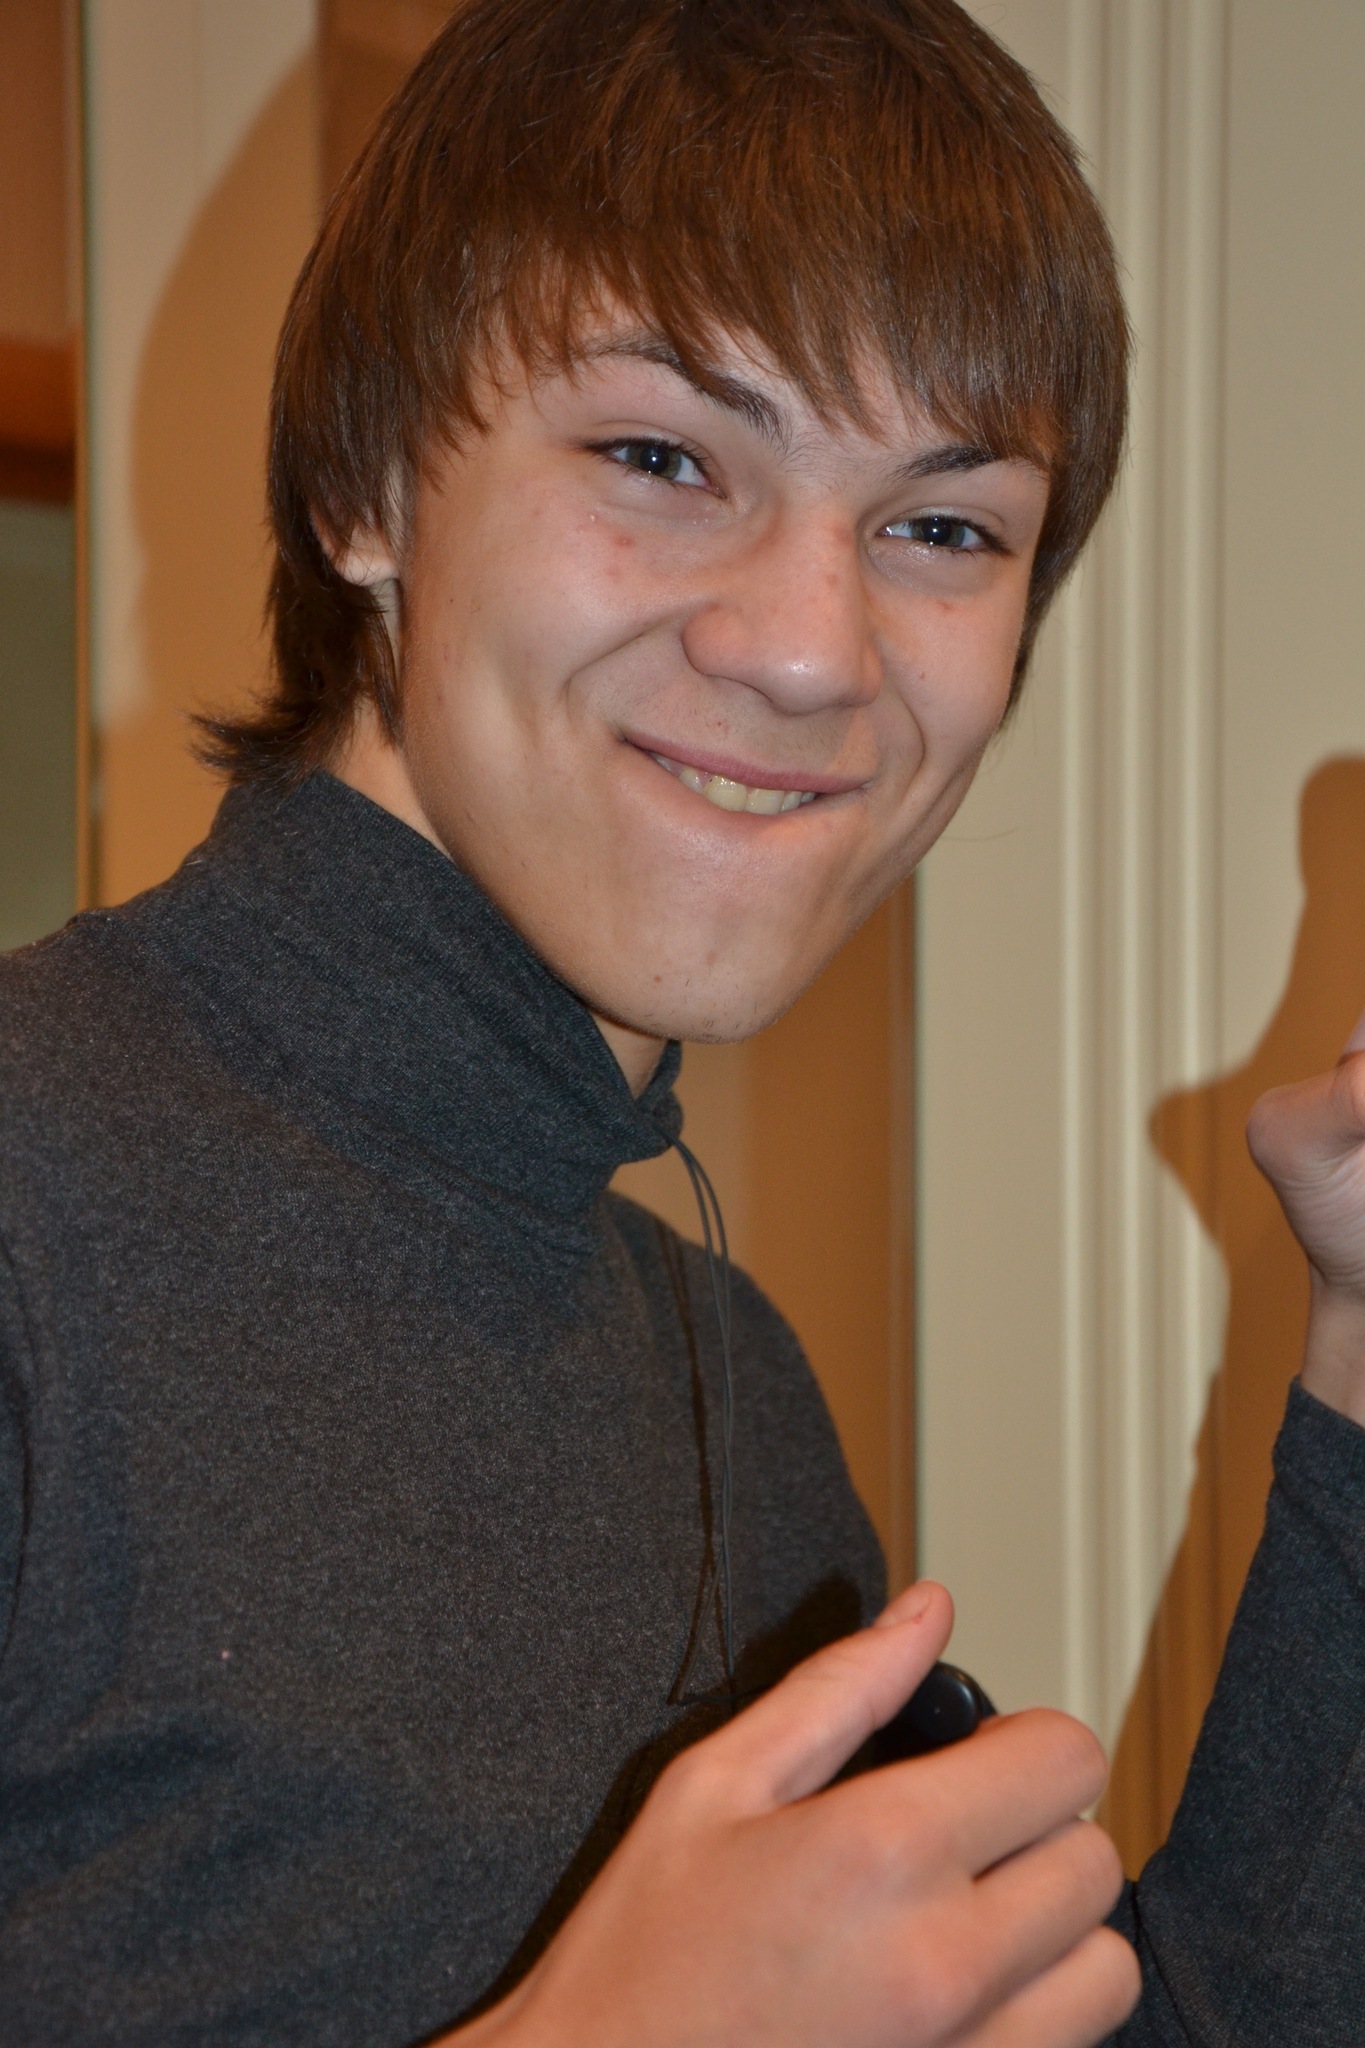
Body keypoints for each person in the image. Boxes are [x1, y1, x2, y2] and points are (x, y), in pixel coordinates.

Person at [0, 1, 1360, 2043]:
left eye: (939, 528)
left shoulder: (725, 1379)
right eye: (660, 457)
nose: (810, 650)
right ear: (367, 482)